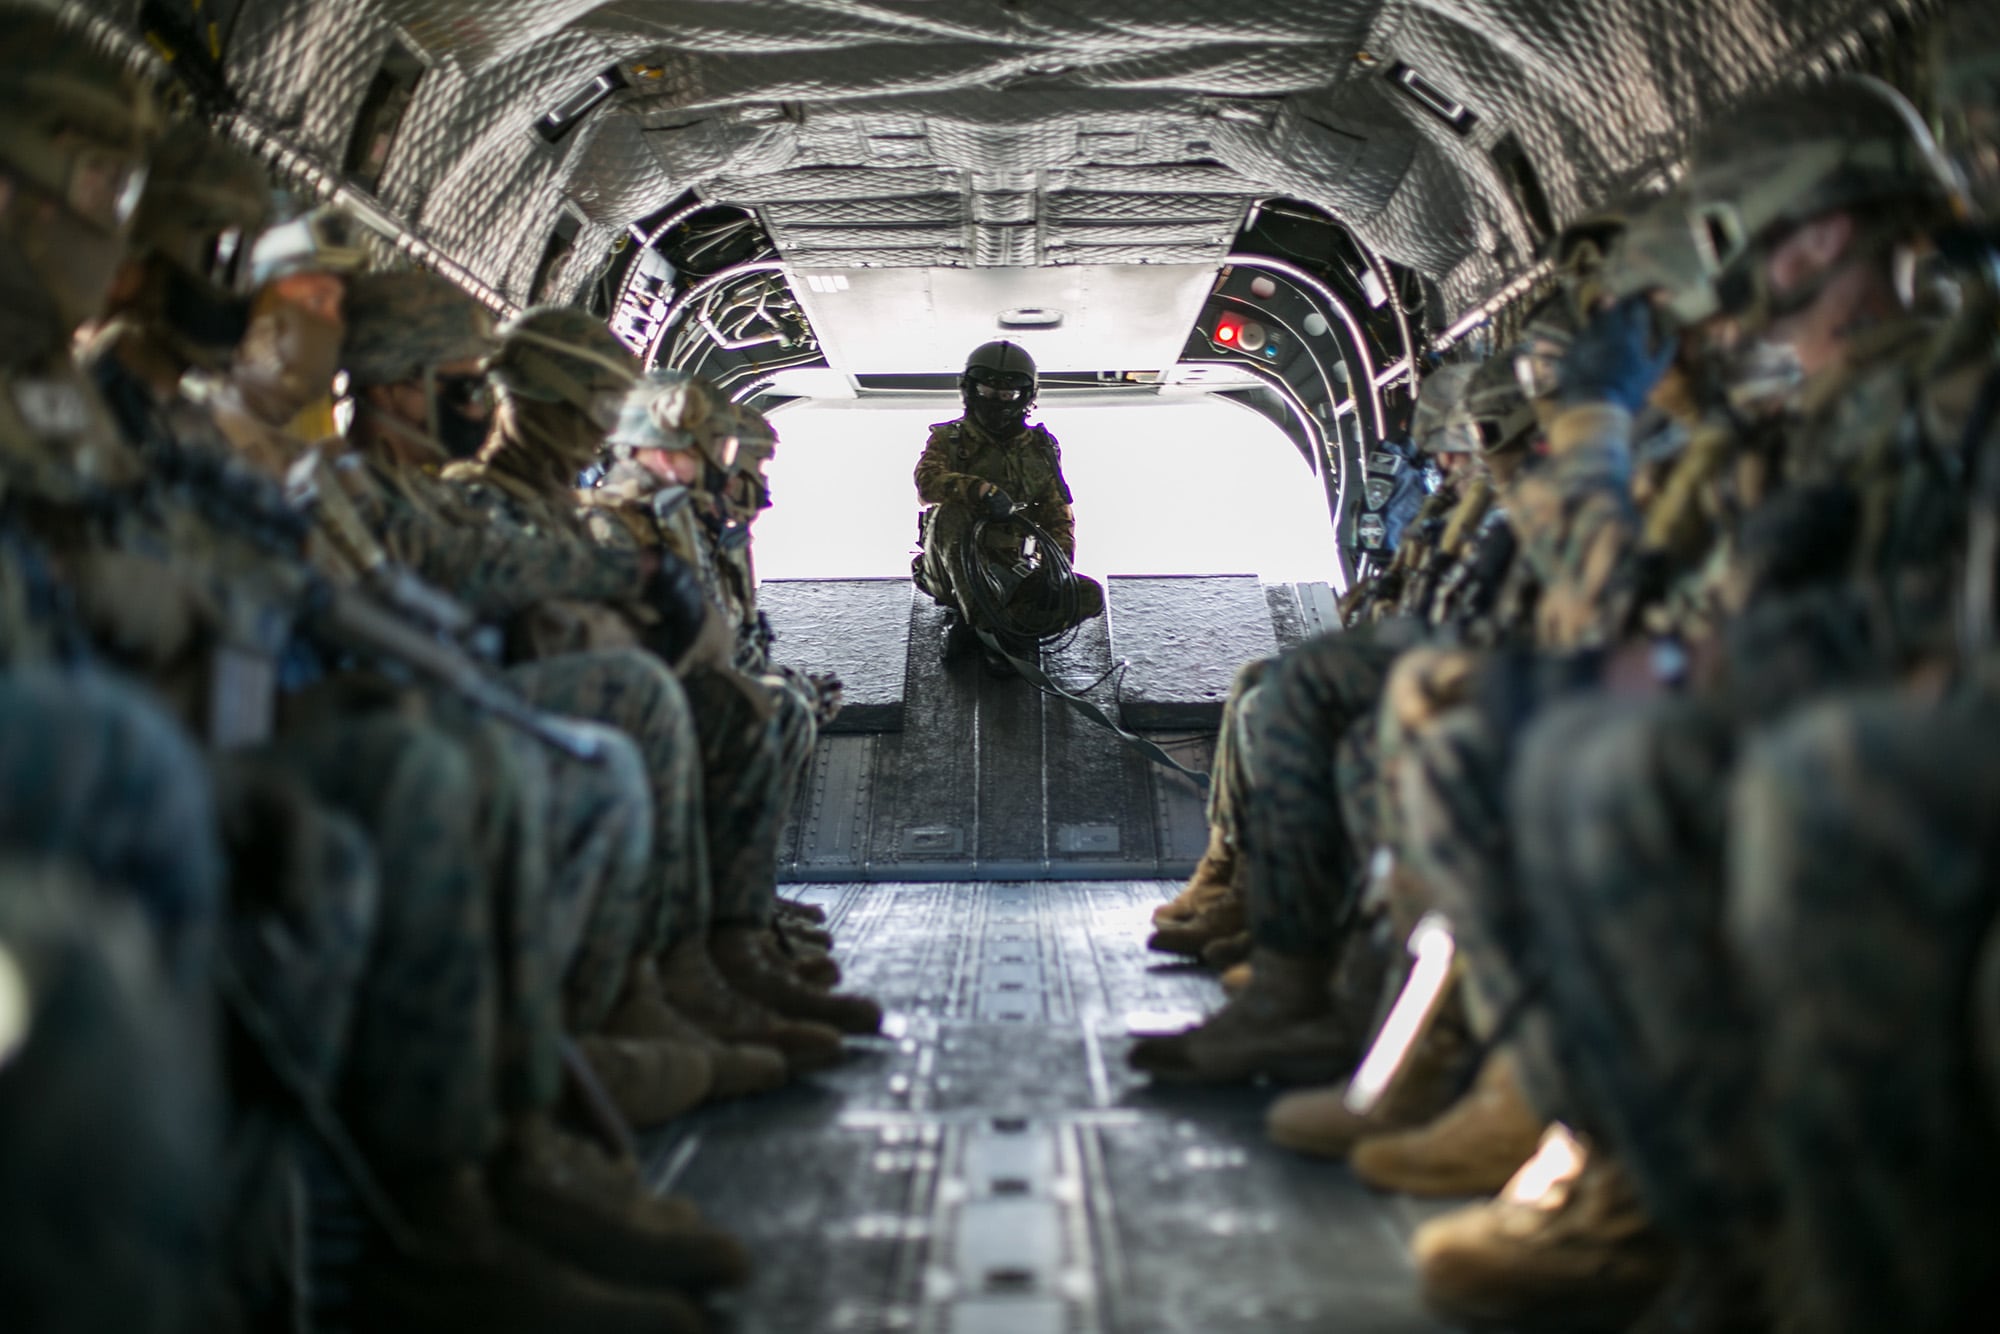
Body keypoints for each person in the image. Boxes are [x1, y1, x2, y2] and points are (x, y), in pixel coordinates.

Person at [914, 339, 1104, 671]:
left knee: (1088, 595)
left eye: (1007, 394)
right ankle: (990, 630)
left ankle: (995, 627)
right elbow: (927, 483)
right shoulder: (949, 438)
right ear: (970, 390)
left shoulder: (1041, 447)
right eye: (987, 391)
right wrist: (981, 492)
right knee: (950, 514)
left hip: (1017, 569)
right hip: (953, 565)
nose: (997, 401)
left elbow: (1057, 513)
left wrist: (1058, 570)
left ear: (1026, 396)